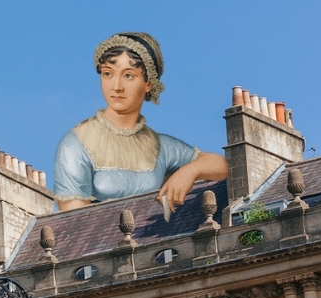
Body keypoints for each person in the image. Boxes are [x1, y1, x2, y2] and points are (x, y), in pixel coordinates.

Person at [54, 31, 228, 213]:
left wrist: (190, 171)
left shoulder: (161, 145)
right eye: (108, 73)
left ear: (148, 84)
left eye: (128, 75)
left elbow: (220, 165)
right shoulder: (75, 144)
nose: (116, 86)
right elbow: (74, 221)